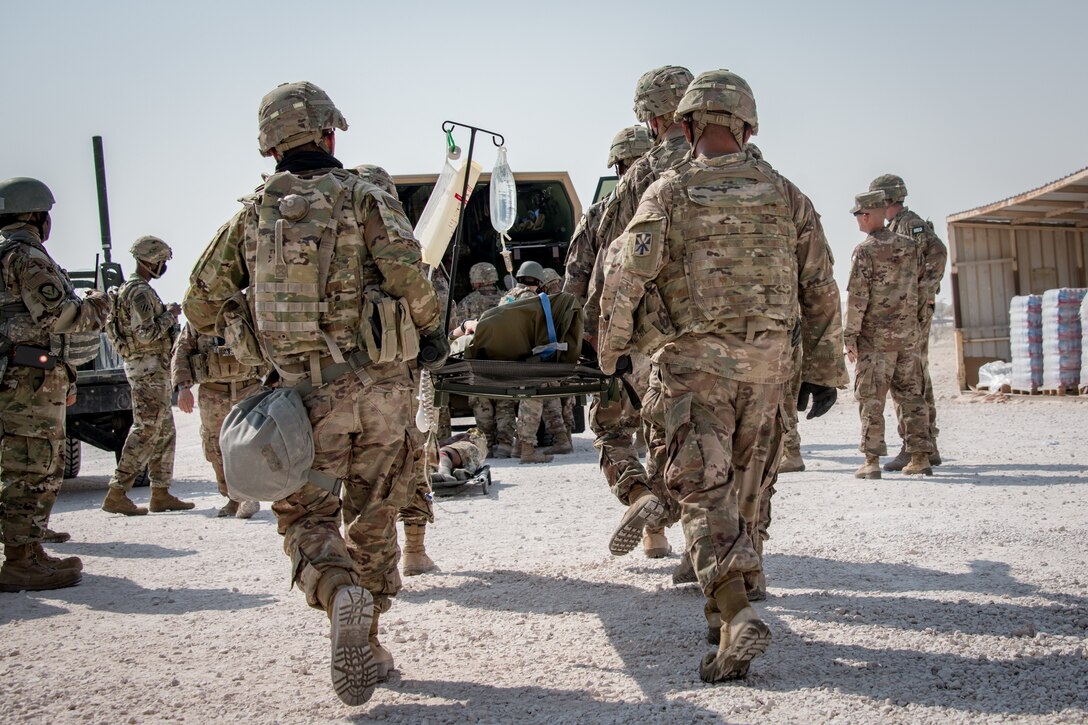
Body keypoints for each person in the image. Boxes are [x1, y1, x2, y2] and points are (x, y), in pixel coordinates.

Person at [183, 81, 446, 706]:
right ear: (331, 134)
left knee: (308, 513)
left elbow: (198, 300)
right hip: (382, 391)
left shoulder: (250, 215)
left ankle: (336, 594)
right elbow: (410, 274)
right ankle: (372, 635)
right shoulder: (365, 195)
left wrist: (246, 332)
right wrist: (430, 332)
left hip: (301, 399)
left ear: (270, 146)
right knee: (377, 509)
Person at [598, 69, 847, 682]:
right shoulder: (787, 195)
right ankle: (738, 587)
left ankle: (733, 612)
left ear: (686, 126)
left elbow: (624, 279)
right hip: (770, 367)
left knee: (704, 490)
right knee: (749, 481)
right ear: (747, 127)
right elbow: (820, 286)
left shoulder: (667, 191)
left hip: (695, 369)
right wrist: (823, 370)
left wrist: (611, 358)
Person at [590, 66, 697, 561]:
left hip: (647, 338)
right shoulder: (736, 166)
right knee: (698, 443)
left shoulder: (637, 181)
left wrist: (598, 341)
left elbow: (601, 262)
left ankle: (644, 503)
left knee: (618, 426)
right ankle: (705, 547)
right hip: (725, 338)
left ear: (650, 116)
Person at [0, 177, 110, 592]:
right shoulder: (27, 256)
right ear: (37, 216)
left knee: (19, 464)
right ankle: (21, 561)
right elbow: (60, 316)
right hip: (28, 378)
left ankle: (27, 549)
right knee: (33, 465)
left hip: (15, 374)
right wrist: (97, 304)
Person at [101, 236, 193, 516]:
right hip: (147, 368)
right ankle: (117, 492)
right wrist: (171, 315)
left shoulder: (133, 290)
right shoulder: (139, 292)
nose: (163, 266)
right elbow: (146, 334)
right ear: (151, 260)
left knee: (164, 430)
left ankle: (161, 493)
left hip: (152, 369)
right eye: (161, 261)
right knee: (146, 430)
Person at [845, 190, 933, 479]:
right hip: (908, 337)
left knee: (871, 398)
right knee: (911, 397)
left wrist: (850, 337)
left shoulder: (865, 251)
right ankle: (920, 457)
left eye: (858, 215)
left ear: (867, 215)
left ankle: (871, 462)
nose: (857, 220)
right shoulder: (910, 247)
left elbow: (858, 298)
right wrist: (917, 325)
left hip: (876, 340)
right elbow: (921, 288)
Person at [868, 174, 948, 471]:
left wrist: (923, 292)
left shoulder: (909, 224)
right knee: (916, 376)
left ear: (887, 199)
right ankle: (925, 443)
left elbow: (937, 253)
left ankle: (918, 445)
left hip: (912, 314)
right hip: (907, 312)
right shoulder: (897, 225)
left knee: (911, 377)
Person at [171, 322, 263, 518]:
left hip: (248, 388)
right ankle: (233, 497)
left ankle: (248, 493)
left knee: (252, 443)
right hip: (214, 392)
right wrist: (183, 387)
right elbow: (181, 353)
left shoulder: (243, 312)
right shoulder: (197, 321)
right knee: (215, 446)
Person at [459, 262, 503, 449]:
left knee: (480, 400)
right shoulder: (506, 299)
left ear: (475, 280)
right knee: (505, 402)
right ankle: (506, 443)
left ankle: (488, 443)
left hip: (478, 360)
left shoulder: (468, 302)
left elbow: (458, 328)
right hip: (503, 358)